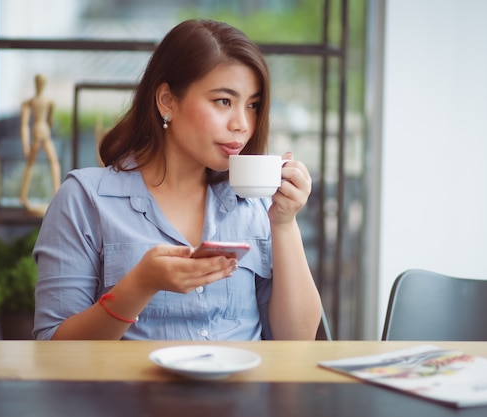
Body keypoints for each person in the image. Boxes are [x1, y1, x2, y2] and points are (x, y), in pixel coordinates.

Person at [33, 18, 322, 341]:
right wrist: (140, 285)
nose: (242, 123)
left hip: (242, 391)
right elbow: (53, 348)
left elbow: (296, 342)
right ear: (167, 101)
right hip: (130, 392)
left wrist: (284, 224)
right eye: (223, 101)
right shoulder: (84, 200)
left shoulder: (259, 205)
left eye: (252, 105)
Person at [19, 74, 61, 215]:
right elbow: (24, 125)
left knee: (53, 161)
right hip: (38, 131)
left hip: (43, 131)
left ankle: (57, 193)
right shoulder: (30, 102)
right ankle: (23, 195)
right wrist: (25, 144)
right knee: (31, 163)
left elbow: (50, 120)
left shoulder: (48, 102)